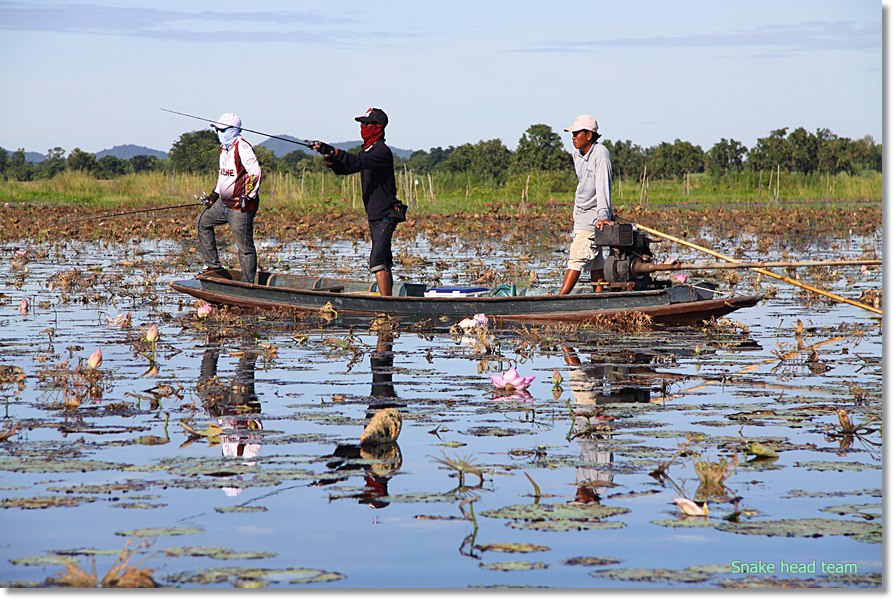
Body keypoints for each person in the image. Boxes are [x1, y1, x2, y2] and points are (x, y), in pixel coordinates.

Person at [313, 108, 406, 296]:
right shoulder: (367, 150)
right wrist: (332, 159)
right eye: (361, 124)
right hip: (375, 213)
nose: (362, 127)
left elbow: (355, 162)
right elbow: (349, 167)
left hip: (386, 214)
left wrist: (333, 150)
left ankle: (386, 306)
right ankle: (388, 300)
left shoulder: (381, 151)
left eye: (366, 124)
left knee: (377, 261)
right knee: (384, 261)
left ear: (377, 127)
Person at [196, 112, 262, 284]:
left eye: (223, 130)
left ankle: (248, 283)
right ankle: (214, 265)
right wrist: (214, 195)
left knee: (244, 247)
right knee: (202, 222)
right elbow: (223, 176)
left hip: (240, 206)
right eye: (217, 129)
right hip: (223, 203)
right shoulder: (224, 149)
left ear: (233, 130)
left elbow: (255, 173)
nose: (219, 133)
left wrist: (248, 196)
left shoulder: (243, 147)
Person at [559, 114, 613, 295]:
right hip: (581, 215)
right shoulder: (577, 155)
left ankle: (559, 299)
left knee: (577, 258)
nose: (573, 137)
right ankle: (599, 296)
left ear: (589, 135)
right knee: (595, 262)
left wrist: (603, 215)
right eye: (572, 134)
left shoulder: (600, 153)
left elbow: (603, 185)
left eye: (576, 133)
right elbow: (584, 185)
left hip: (593, 217)